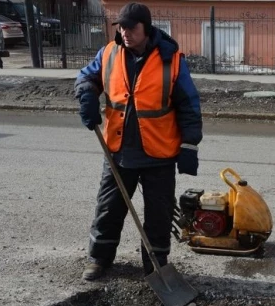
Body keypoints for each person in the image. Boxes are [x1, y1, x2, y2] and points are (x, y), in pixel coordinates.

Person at [74, 2, 203, 281]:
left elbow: (189, 105)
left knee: (159, 214)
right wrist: (86, 94)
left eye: (131, 27)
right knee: (108, 209)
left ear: (146, 27)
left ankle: (155, 265)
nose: (125, 32)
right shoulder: (109, 53)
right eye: (121, 27)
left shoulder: (171, 59)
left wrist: (189, 145)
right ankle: (99, 259)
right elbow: (87, 76)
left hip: (159, 154)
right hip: (118, 152)